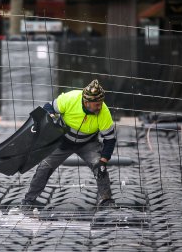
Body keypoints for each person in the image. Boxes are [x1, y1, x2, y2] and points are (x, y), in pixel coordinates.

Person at [21, 79, 116, 209]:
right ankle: (29, 200)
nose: (100, 107)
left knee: (100, 167)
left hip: (88, 144)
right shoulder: (70, 99)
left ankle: (106, 200)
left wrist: (104, 160)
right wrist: (50, 115)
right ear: (86, 102)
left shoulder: (104, 113)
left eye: (101, 103)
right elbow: (47, 107)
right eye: (97, 104)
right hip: (62, 141)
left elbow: (110, 139)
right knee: (44, 167)